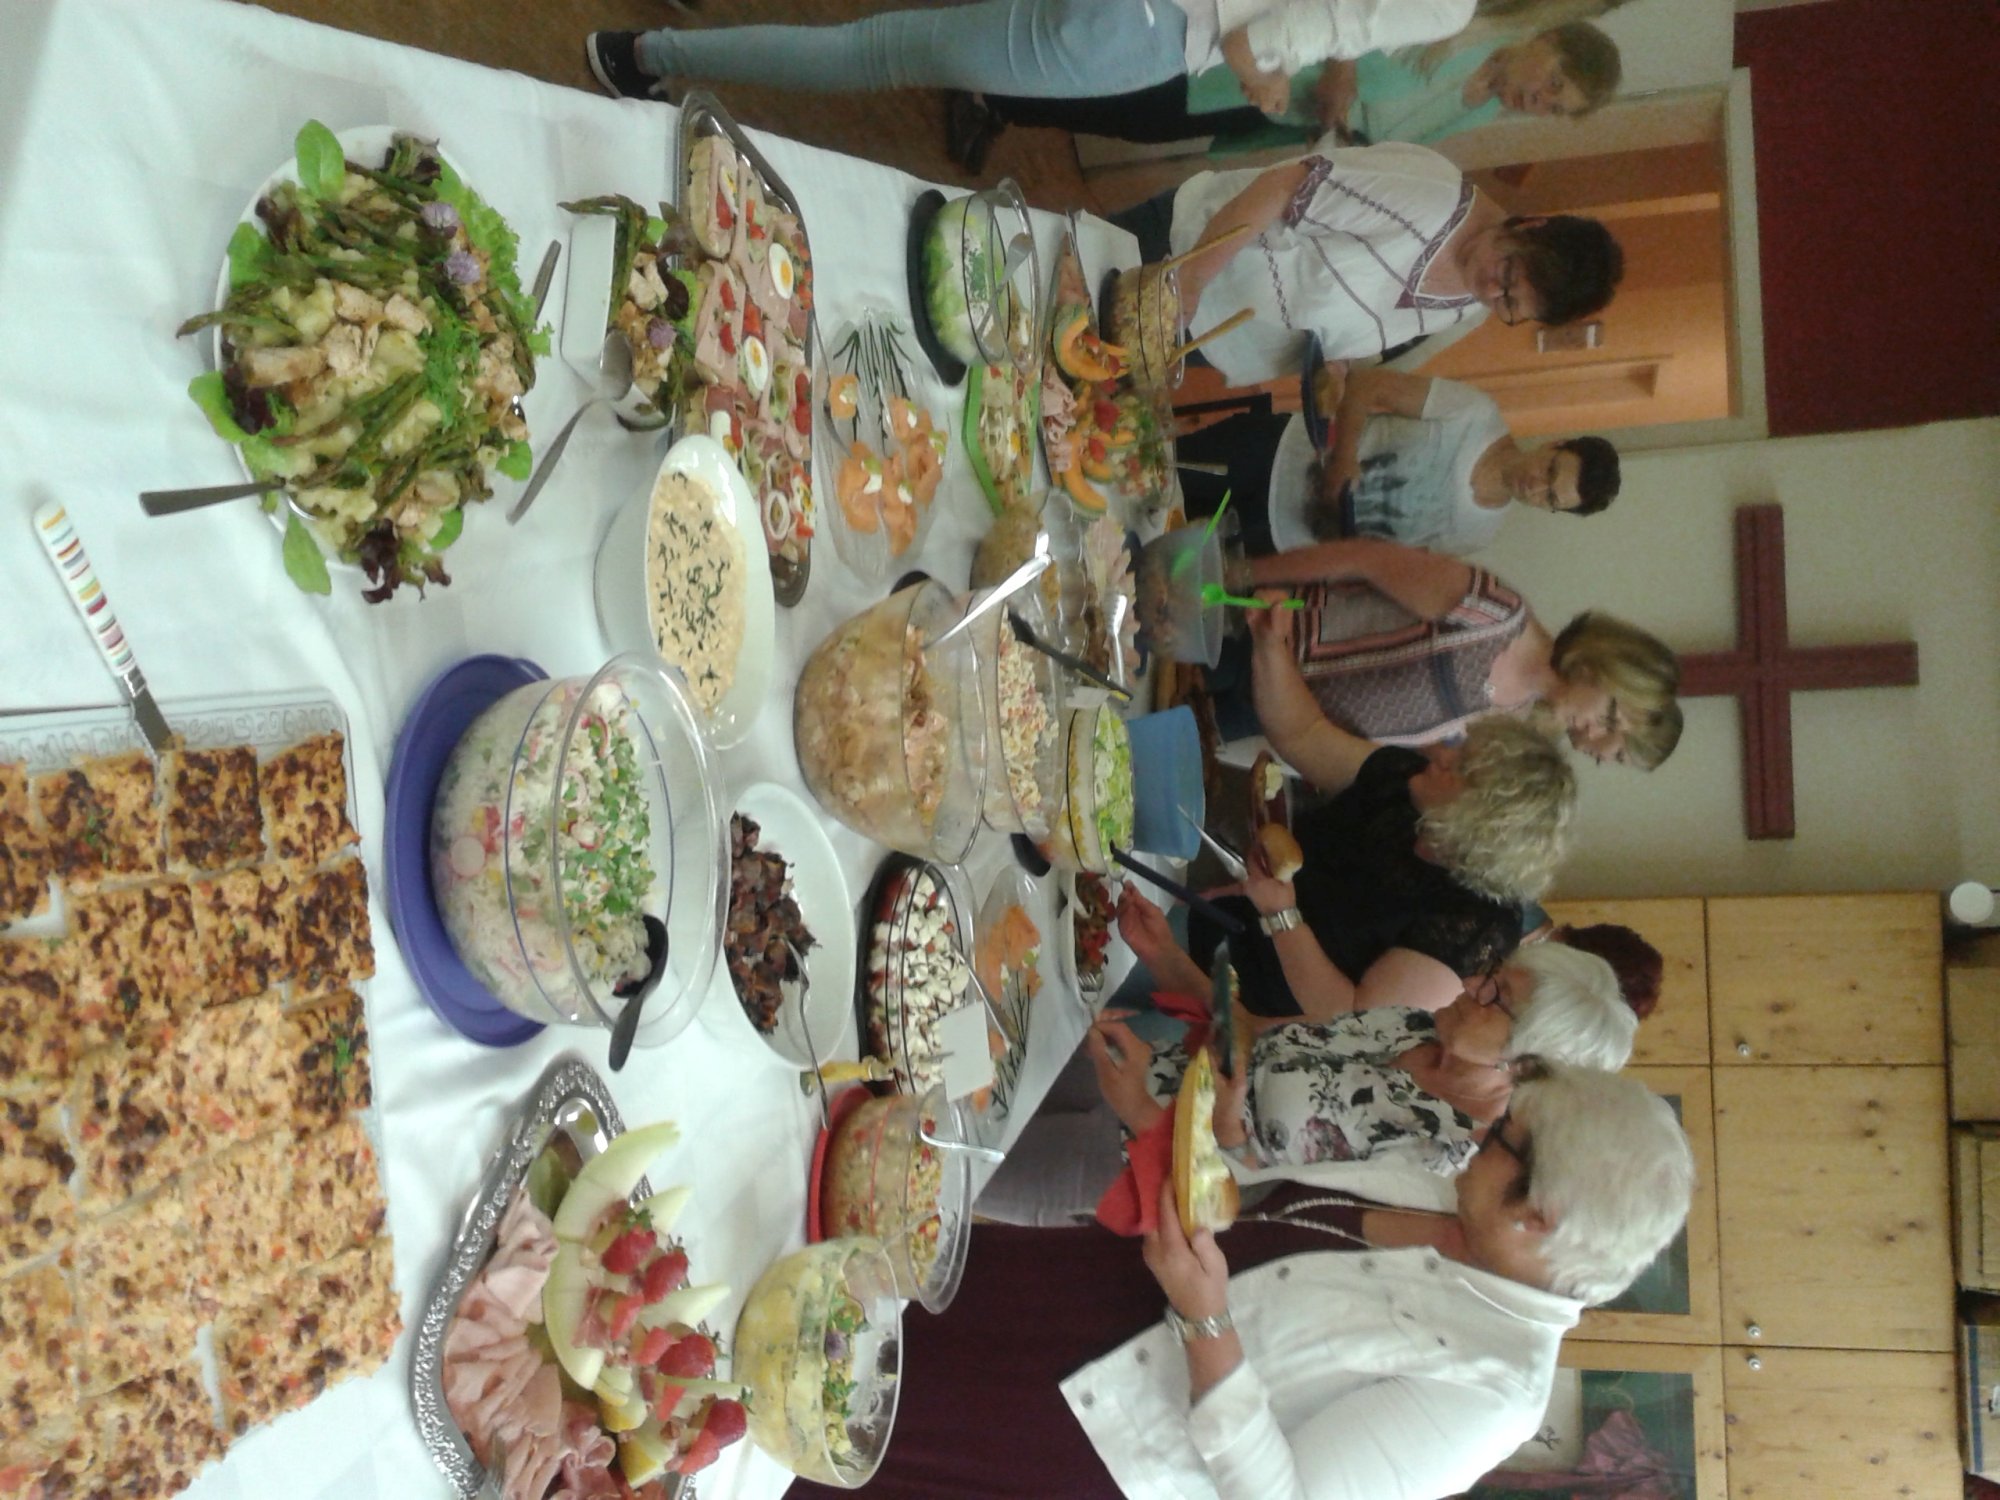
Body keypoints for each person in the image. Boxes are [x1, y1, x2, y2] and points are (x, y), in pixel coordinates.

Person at [790, 1059, 1695, 1500]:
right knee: (835, 1292)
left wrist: (1206, 1322)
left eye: (1504, 1142)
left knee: (815, 1415)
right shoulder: (1447, 1191)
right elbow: (1265, 1216)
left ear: (1539, 1220)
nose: (1481, 1140)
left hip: (1081, 1429)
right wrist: (1188, 1135)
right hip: (1075, 1289)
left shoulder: (1495, 1392)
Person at [980, 939, 1634, 1226]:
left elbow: (1247, 1208)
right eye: (1491, 973)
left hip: (1125, 1160)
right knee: (944, 1074)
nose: (1470, 985)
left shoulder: (1442, 1159)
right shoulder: (1412, 1023)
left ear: (1526, 1064)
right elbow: (1253, 1035)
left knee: (946, 1174)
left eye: (1496, 997)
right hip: (1127, 1065)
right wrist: (1166, 956)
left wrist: (1183, 1116)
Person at [1125, 714, 1575, 1021]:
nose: (1442, 753)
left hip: (1240, 1008)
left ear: (1478, 824)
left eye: (1462, 769)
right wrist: (1270, 642)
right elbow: (1305, 732)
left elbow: (1350, 1020)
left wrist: (1281, 914)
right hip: (1212, 919)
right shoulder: (1410, 785)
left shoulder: (1474, 926)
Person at [1113, 140, 1622, 386]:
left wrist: (1335, 364)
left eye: (1508, 305)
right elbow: (1285, 185)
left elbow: (1355, 313)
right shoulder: (1431, 202)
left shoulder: (1469, 302)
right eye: (1508, 273)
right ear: (1530, 227)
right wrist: (1191, 279)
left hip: (1215, 337)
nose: (1492, 291)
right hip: (1180, 256)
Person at [1218, 535, 1682, 761]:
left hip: (1268, 715)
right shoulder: (1497, 614)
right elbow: (1363, 558)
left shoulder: (1513, 721)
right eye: (1610, 717)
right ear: (1602, 666)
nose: (1593, 736)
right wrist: (1240, 575)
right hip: (1247, 634)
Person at [962, 21, 1621, 172]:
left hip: (1269, 109)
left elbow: (1386, 136)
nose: (1540, 101)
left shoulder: (1475, 109)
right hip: (1265, 51)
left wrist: (1342, 141)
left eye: (1554, 108)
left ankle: (1001, 103)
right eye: (1554, 83)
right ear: (1548, 37)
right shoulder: (1463, 25)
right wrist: (1341, 71)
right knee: (1124, 74)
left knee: (1135, 120)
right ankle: (986, 68)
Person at [585, 0, 1476, 111]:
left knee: (880, 44)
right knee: (876, 54)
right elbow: (1256, 38)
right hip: (1148, 28)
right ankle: (644, 55)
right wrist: (1267, 82)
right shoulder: (1450, 5)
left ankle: (658, 48)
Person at [1181, 364, 1623, 554]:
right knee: (1156, 478)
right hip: (1272, 454)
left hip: (1278, 537)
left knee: (1164, 554)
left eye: (1550, 498)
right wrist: (1345, 456)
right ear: (1554, 445)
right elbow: (1367, 384)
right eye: (1550, 471)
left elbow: (1386, 558)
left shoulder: (1478, 533)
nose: (1537, 486)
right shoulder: (1474, 413)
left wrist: (1342, 548)